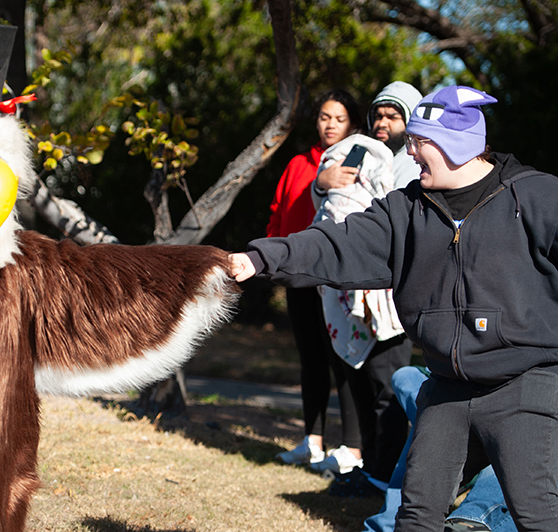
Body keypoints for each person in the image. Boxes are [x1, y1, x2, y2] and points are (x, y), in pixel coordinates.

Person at [229, 84, 558, 531]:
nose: (410, 151)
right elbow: (336, 243)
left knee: (539, 516)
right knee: (415, 516)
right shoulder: (405, 210)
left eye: (419, 142)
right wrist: (258, 258)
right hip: (447, 388)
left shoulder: (536, 197)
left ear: (454, 145)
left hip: (525, 384)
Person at [311, 82, 423, 493]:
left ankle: (383, 473)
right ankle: (370, 465)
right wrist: (323, 182)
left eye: (392, 117)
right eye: (378, 115)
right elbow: (329, 200)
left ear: (409, 123)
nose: (382, 123)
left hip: (391, 292)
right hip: (351, 286)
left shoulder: (416, 163)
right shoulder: (361, 152)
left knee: (387, 385)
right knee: (360, 381)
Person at [267, 89, 363, 472]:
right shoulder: (298, 163)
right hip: (298, 274)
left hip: (335, 277)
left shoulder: (356, 161)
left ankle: (352, 448)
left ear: (352, 124)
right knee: (310, 360)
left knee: (342, 359)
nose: (330, 125)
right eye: (324, 117)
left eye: (338, 119)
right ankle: (313, 441)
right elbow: (278, 211)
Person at [364, 366, 516, 532]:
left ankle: (469, 520)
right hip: (459, 389)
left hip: (512, 404)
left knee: (435, 421)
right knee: (407, 378)